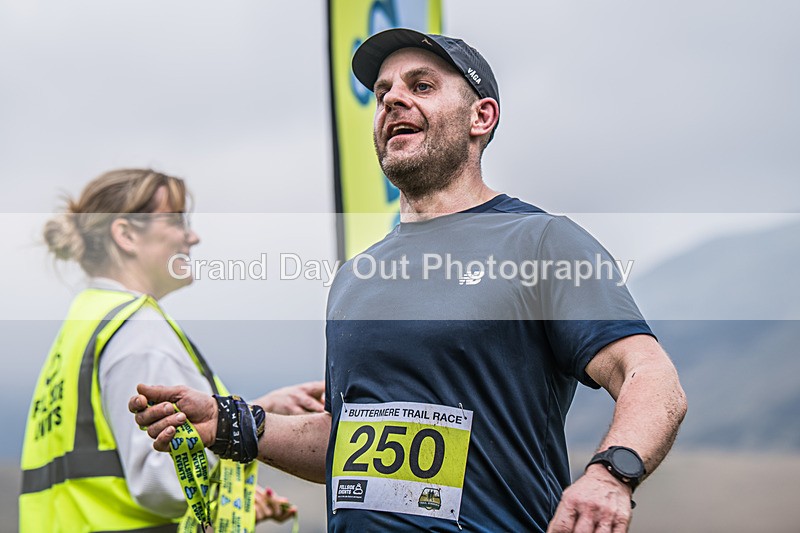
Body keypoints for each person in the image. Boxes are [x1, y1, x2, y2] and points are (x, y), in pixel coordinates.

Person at [130, 29, 687, 533]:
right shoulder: (355, 277)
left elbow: (650, 375)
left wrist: (611, 475)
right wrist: (233, 423)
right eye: (382, 92)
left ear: (481, 118)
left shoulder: (540, 241)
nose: (393, 99)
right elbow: (349, 446)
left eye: (422, 85)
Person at [20, 168, 324, 532]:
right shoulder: (139, 332)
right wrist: (241, 427)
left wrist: (259, 408)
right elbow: (162, 483)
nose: (192, 237)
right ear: (127, 235)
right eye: (178, 221)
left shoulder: (88, 321)